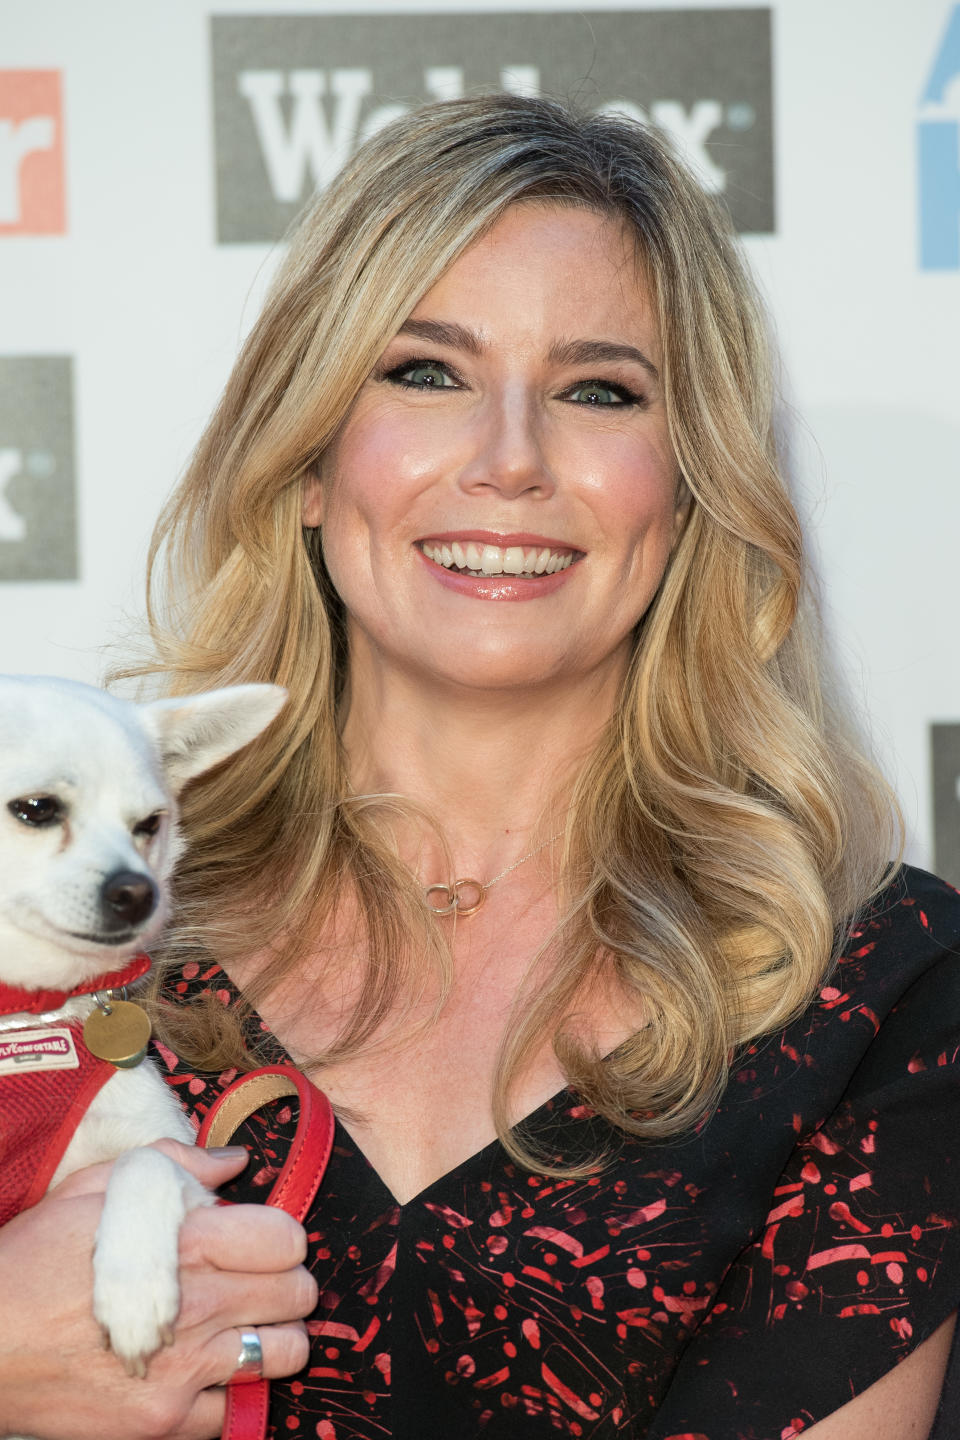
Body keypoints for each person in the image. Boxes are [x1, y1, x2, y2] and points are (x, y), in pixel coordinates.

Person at [3, 94, 959, 1440]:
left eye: (597, 391)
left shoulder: (877, 985)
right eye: (428, 373)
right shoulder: (71, 925)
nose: (511, 461)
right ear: (310, 459)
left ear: (689, 488)